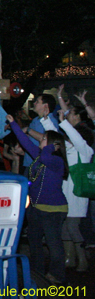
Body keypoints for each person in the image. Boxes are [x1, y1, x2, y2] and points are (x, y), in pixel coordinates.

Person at [7, 114, 68, 284]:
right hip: (36, 208)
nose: (40, 140)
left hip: (53, 210)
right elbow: (26, 143)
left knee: (53, 244)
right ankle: (37, 272)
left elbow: (47, 157)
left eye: (43, 138)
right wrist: (14, 124)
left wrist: (52, 146)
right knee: (34, 243)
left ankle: (57, 275)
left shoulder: (56, 161)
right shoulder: (40, 157)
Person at [55, 107, 93, 272]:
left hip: (77, 196)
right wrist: (47, 120)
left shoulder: (85, 150)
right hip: (65, 194)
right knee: (65, 227)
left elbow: (77, 139)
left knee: (72, 227)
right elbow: (51, 134)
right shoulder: (68, 149)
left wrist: (63, 122)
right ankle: (70, 258)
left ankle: (82, 258)